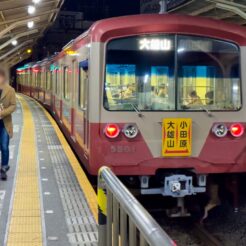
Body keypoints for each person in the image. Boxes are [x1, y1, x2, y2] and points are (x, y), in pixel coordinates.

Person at [0, 68, 16, 180]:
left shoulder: (10, 90)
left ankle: (4, 168)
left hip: (5, 123)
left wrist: (2, 113)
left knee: (4, 147)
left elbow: (13, 105)